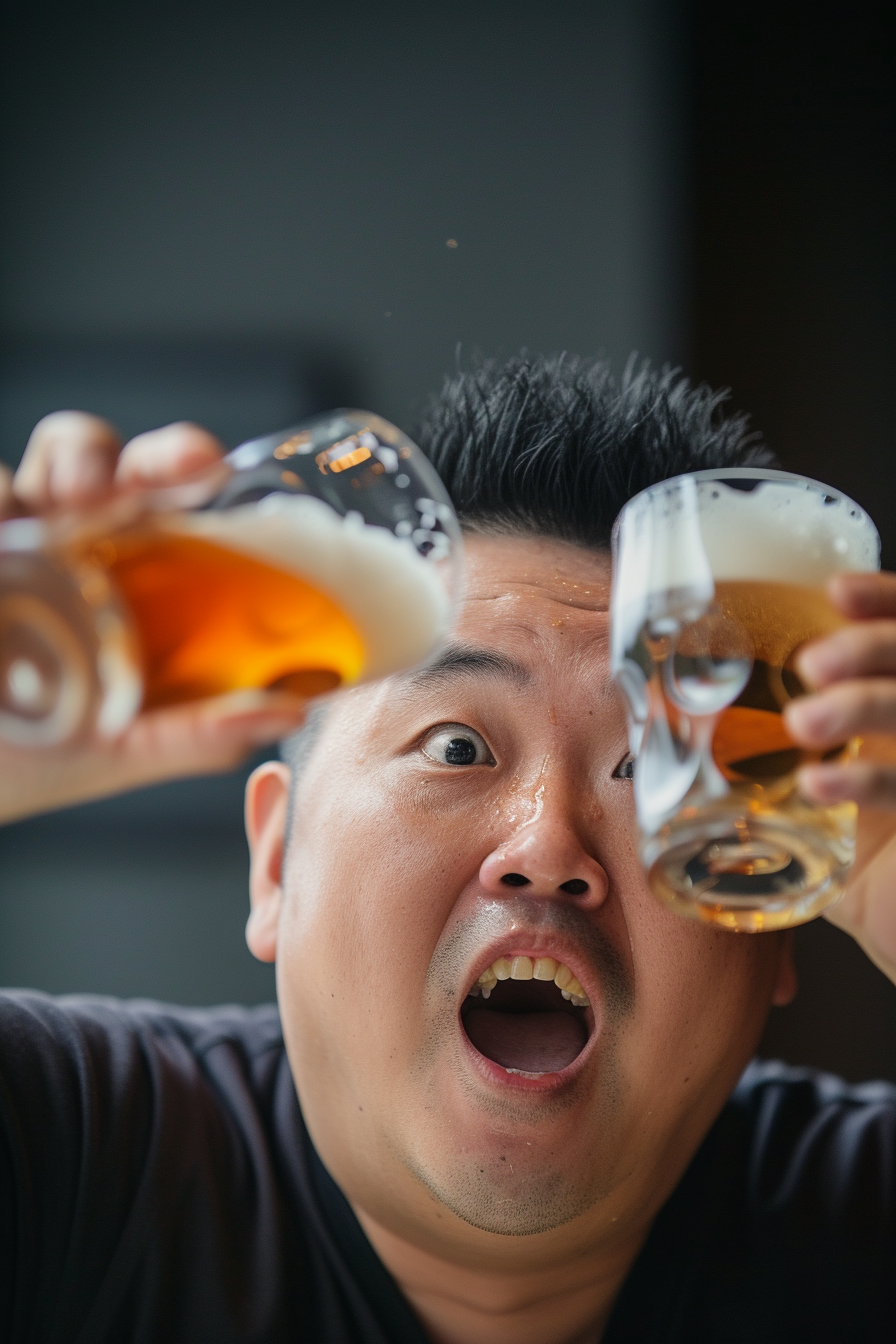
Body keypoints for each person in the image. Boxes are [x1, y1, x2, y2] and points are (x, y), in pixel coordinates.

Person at [1, 356, 895, 1343]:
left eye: (648, 770)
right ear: (275, 862)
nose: (546, 844)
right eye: (456, 748)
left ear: (776, 928)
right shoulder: (65, 1149)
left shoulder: (859, 1222)